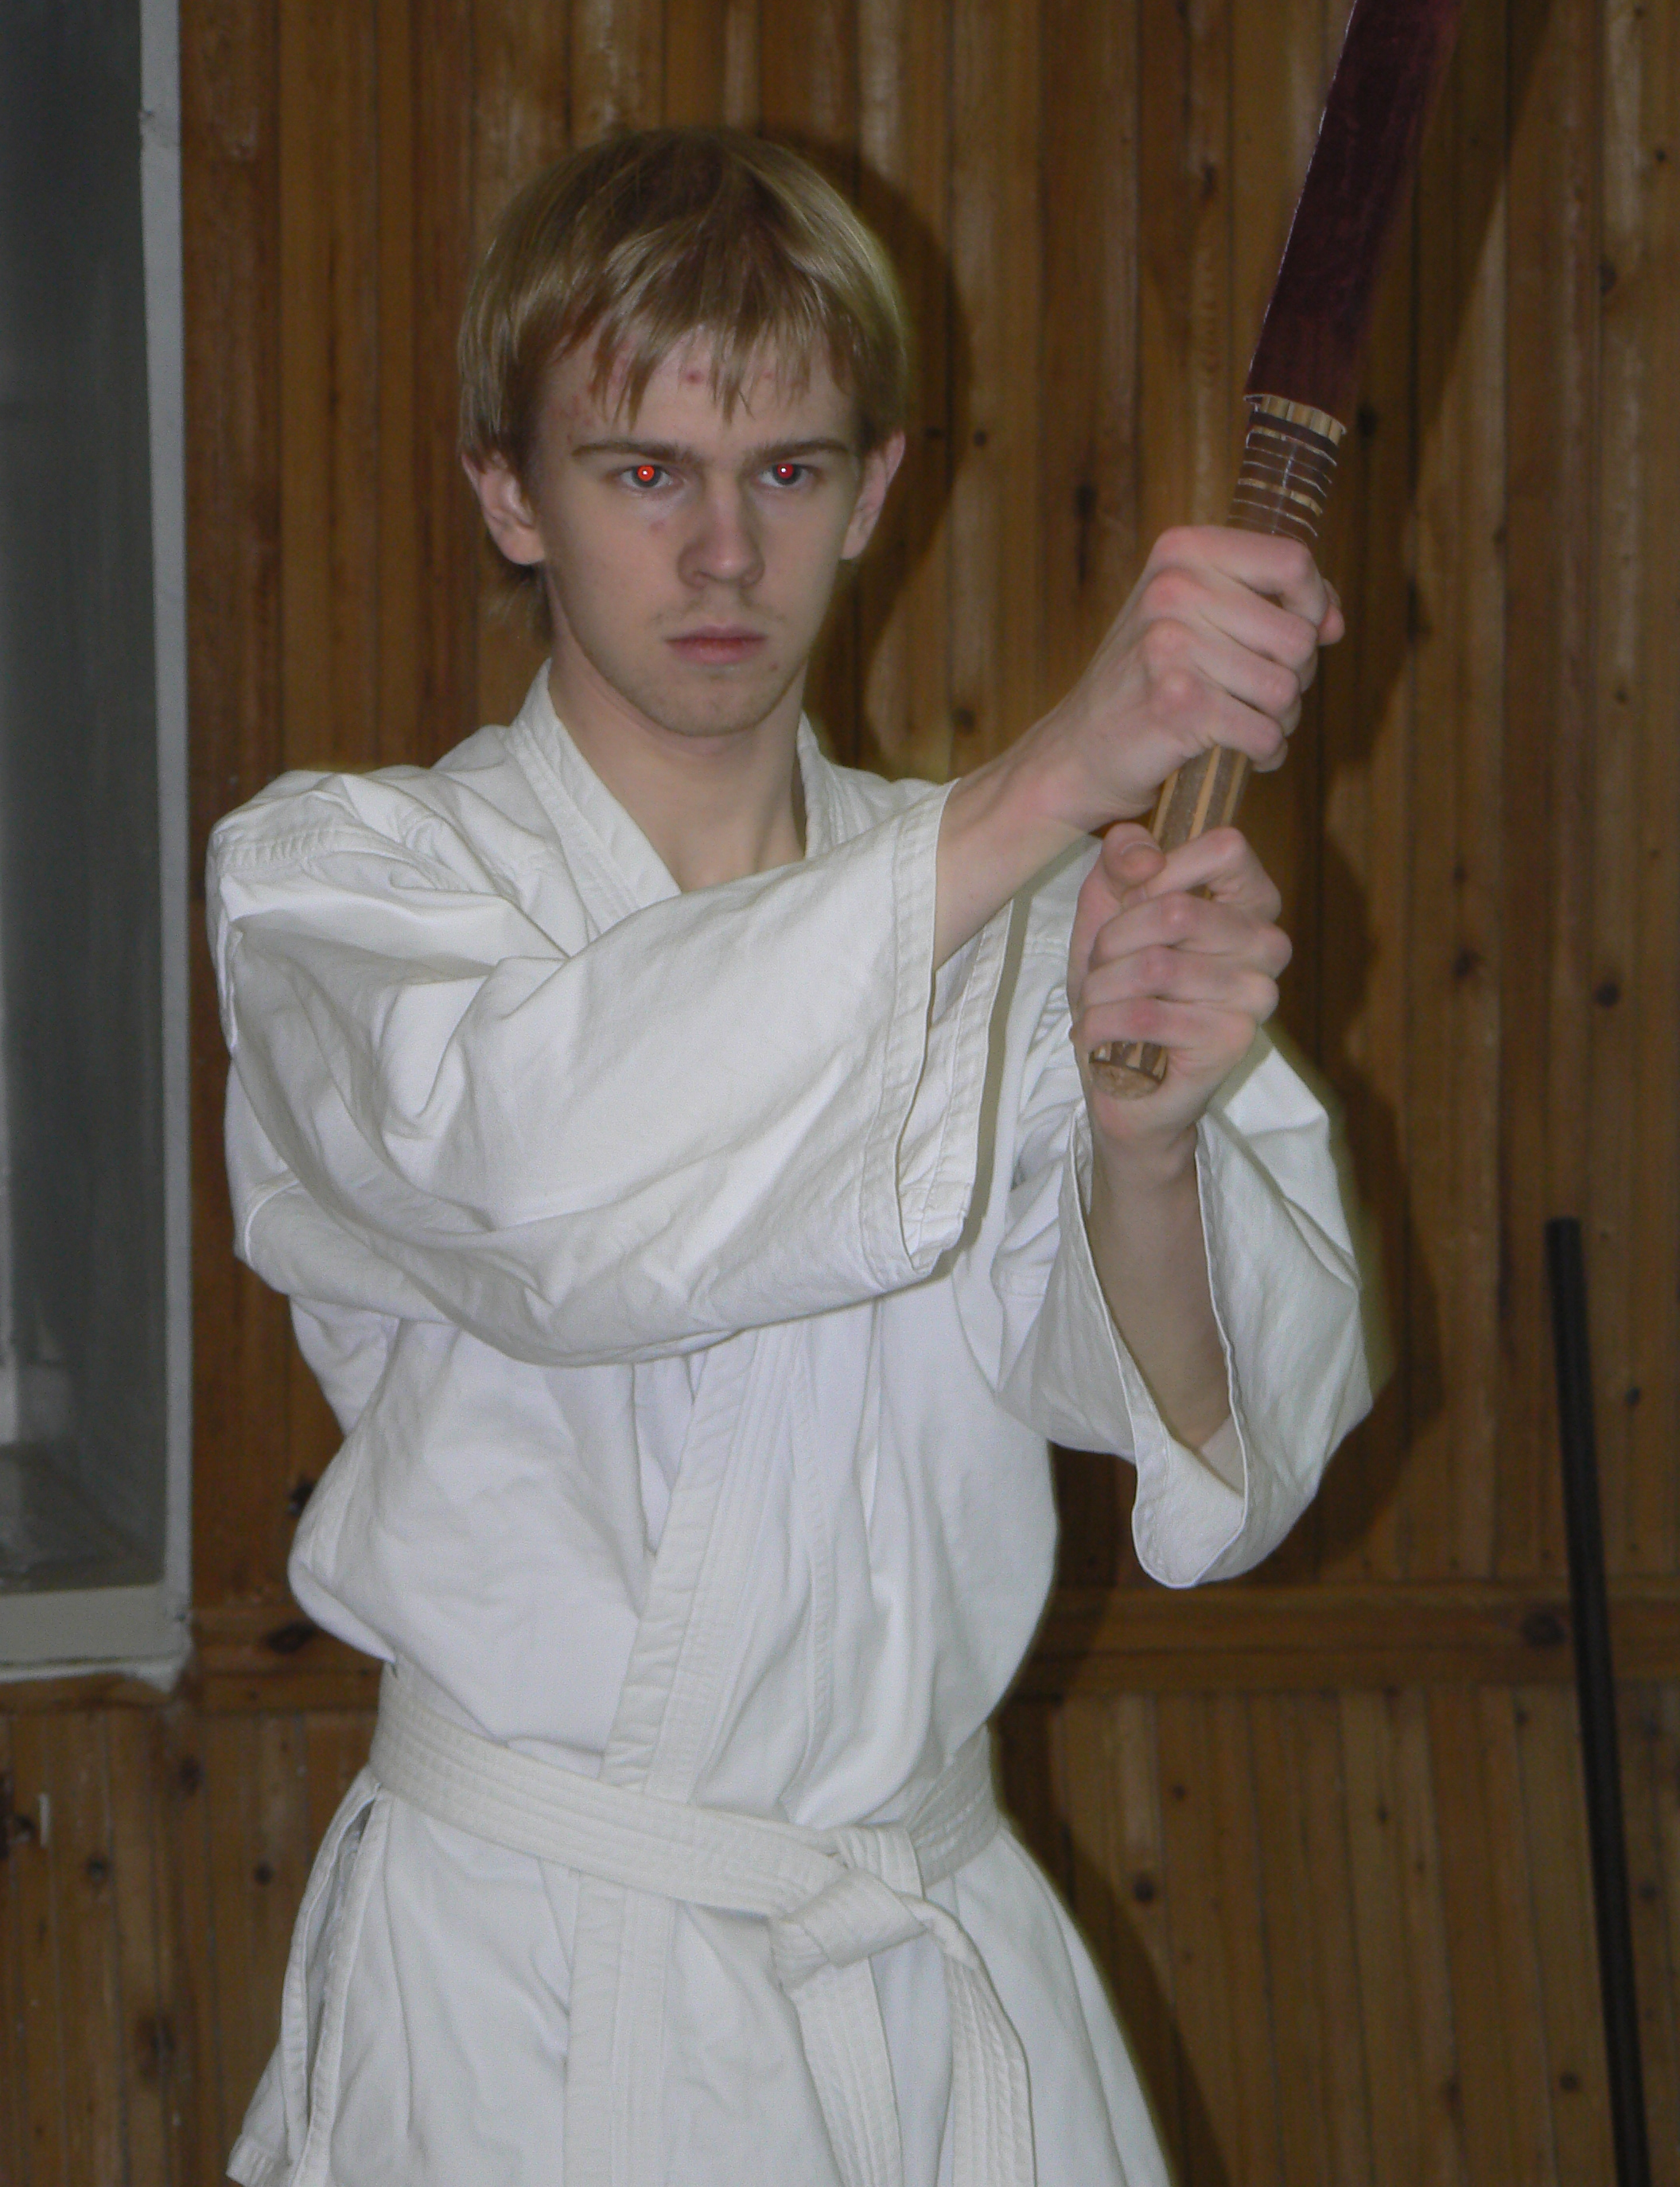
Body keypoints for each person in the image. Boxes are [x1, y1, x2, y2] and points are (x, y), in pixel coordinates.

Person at [209, 128, 1370, 2187]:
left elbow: (1224, 1454)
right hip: (527, 2011)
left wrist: (1146, 1146)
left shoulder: (1025, 926)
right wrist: (1052, 777)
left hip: (921, 1991)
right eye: (645, 471)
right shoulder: (351, 887)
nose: (726, 553)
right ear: (511, 494)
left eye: (791, 470)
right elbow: (548, 1176)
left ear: (877, 492)